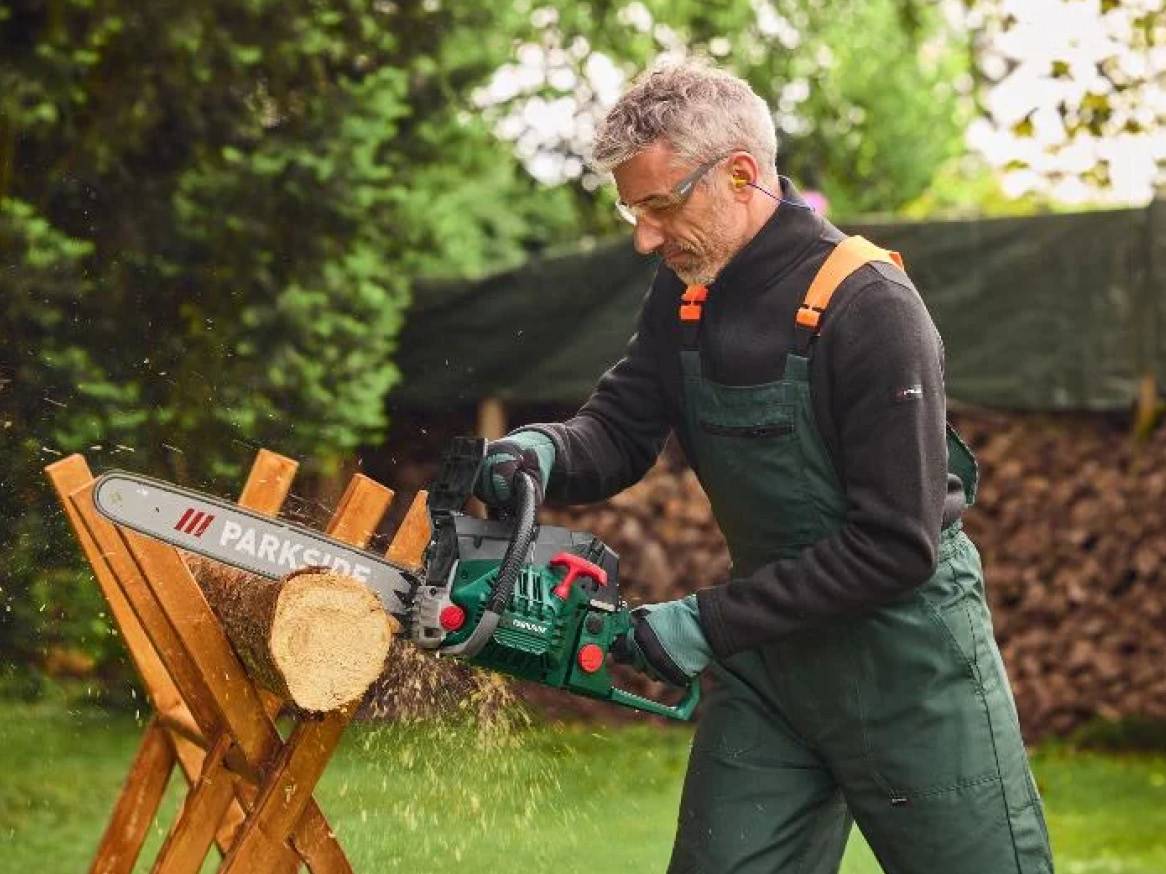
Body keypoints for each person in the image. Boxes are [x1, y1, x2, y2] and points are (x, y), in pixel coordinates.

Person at [474, 61, 1054, 874]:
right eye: (631, 209)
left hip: (908, 669)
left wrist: (699, 624)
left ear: (740, 174)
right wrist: (542, 451)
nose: (645, 235)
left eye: (660, 206)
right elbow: (621, 426)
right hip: (772, 665)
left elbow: (895, 543)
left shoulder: (870, 307)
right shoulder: (683, 293)